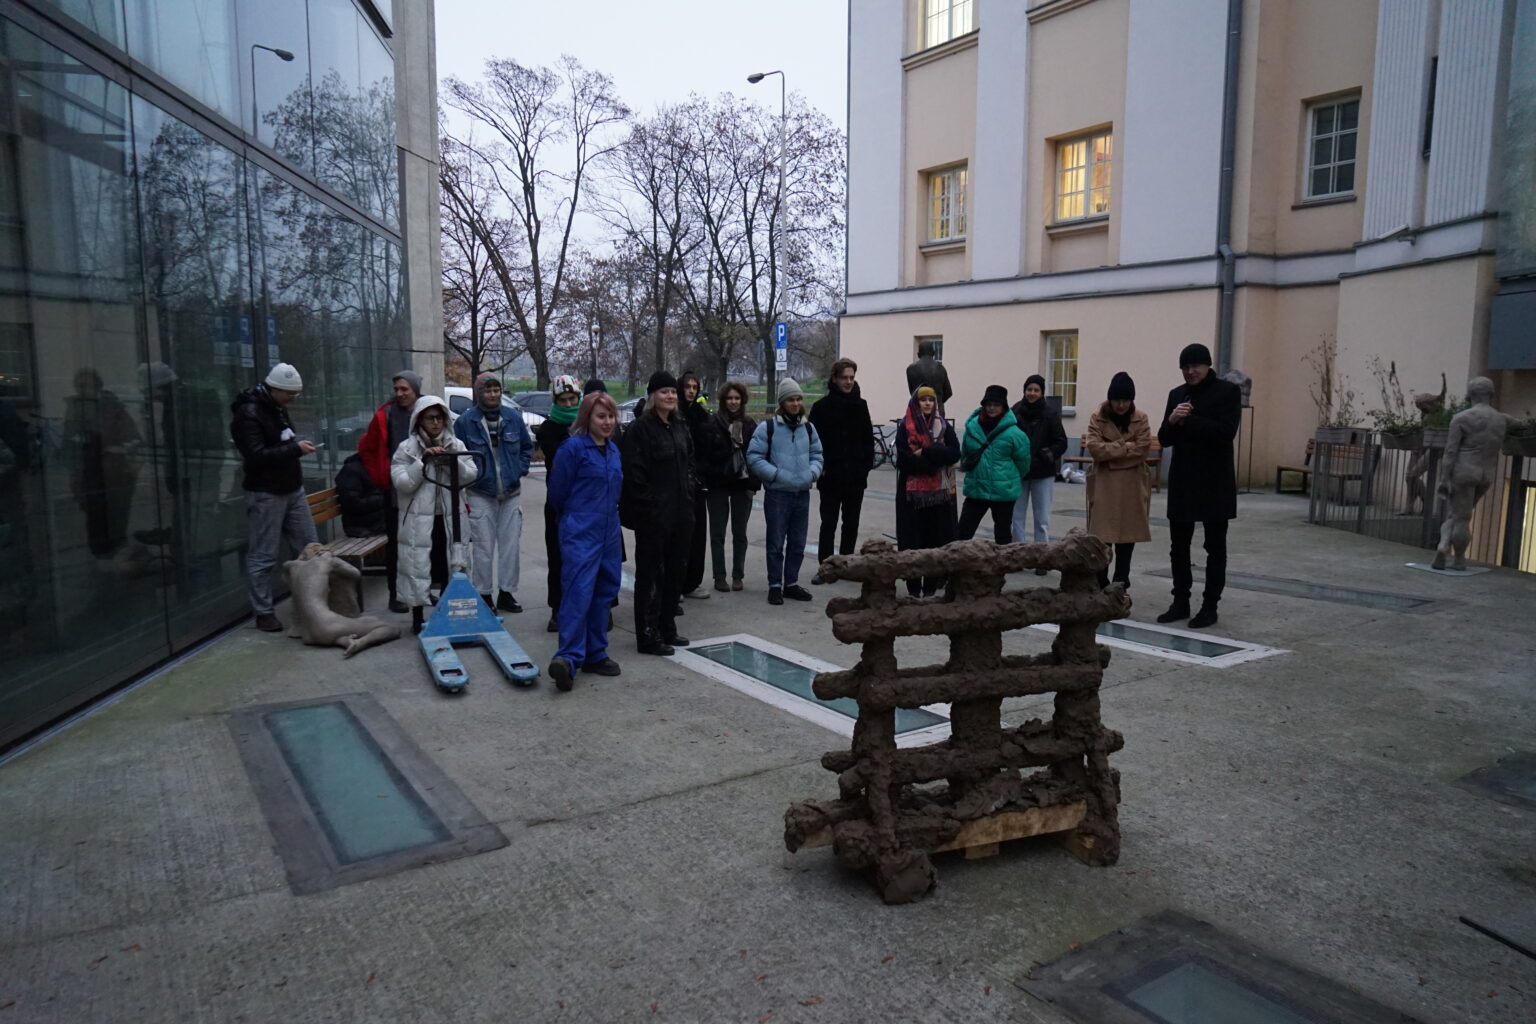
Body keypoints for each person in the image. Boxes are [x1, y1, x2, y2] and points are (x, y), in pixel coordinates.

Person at [1155, 343, 1241, 629]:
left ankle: (1209, 606)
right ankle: (1180, 602)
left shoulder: (1227, 392)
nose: (1190, 371)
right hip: (1183, 481)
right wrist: (1172, 420)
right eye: (1185, 367)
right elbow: (1165, 438)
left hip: (1215, 482)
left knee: (1215, 546)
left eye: (1196, 366)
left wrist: (1188, 420)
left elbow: (1225, 432)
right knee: (1178, 546)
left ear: (1208, 366)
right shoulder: (1177, 395)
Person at [230, 362, 319, 632]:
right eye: (290, 394)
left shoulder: (276, 407)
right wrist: (294, 450)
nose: (294, 398)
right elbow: (255, 456)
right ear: (275, 388)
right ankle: (263, 611)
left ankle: (313, 604)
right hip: (266, 492)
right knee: (263, 554)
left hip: (291, 487)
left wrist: (292, 448)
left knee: (310, 548)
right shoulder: (249, 414)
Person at [546, 391, 625, 691]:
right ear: (587, 418)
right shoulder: (573, 449)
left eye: (611, 416)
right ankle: (567, 658)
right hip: (581, 529)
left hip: (608, 530)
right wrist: (573, 521)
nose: (607, 422)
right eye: (601, 416)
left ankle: (595, 653)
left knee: (604, 591)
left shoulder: (613, 450)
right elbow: (557, 493)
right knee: (578, 592)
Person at [620, 371, 694, 655]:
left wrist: (690, 495)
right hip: (653, 517)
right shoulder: (641, 429)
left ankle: (667, 627)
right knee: (651, 575)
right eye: (664, 392)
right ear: (653, 396)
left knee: (676, 573)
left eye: (673, 392)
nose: (670, 396)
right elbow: (635, 475)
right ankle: (647, 635)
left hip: (682, 513)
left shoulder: (679, 426)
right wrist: (650, 507)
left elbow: (690, 465)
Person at [393, 395, 479, 635]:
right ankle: (418, 616)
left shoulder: (456, 445)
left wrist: (451, 462)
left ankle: (450, 612)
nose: (436, 423)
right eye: (430, 418)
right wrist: (423, 462)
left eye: (440, 417)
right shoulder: (406, 449)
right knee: (418, 566)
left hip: (450, 516)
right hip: (419, 519)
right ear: (419, 419)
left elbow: (471, 474)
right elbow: (402, 482)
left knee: (452, 563)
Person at [454, 372, 534, 613]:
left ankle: (507, 593)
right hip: (480, 493)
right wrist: (472, 476)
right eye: (487, 390)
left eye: (496, 390)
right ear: (479, 393)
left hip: (511, 492)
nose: (493, 394)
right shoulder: (465, 422)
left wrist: (519, 470)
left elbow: (526, 447)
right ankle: (484, 594)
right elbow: (458, 453)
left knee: (510, 548)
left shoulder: (513, 418)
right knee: (483, 547)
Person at [747, 377, 824, 605]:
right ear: (783, 402)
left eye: (799, 399)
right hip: (778, 494)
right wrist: (775, 474)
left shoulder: (808, 428)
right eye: (791, 399)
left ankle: (790, 583)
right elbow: (753, 456)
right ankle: (774, 585)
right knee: (776, 542)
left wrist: (812, 473)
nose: (795, 403)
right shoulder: (768, 428)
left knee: (798, 543)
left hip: (802, 493)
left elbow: (817, 455)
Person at [357, 370, 422, 612]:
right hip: (395, 490)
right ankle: (396, 594)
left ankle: (423, 591)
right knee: (397, 543)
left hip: (425, 486)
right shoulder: (385, 414)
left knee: (426, 541)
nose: (400, 393)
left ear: (415, 390)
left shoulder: (427, 410)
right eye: (397, 389)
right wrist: (380, 476)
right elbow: (367, 448)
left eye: (405, 389)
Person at [808, 358, 874, 585]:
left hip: (855, 477)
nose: (848, 382)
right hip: (831, 477)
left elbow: (868, 441)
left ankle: (847, 566)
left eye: (852, 377)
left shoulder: (861, 405)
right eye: (844, 377)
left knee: (851, 523)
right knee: (828, 524)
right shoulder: (821, 408)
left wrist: (864, 468)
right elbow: (813, 444)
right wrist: (821, 469)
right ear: (834, 379)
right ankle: (826, 568)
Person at [63, 368, 141, 559]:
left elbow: (131, 437)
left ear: (96, 386)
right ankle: (101, 551)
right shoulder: (75, 407)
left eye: (86, 385)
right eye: (79, 385)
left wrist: (118, 450)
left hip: (113, 470)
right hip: (87, 469)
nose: (81, 389)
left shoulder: (112, 406)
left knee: (116, 511)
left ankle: (114, 549)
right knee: (93, 511)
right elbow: (68, 441)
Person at [1085, 373, 1152, 588]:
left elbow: (1142, 450)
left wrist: (1111, 454)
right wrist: (1125, 447)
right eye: (1117, 400)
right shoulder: (1098, 417)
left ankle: (1122, 579)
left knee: (1127, 533)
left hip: (1131, 484)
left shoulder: (1141, 418)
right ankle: (1100, 578)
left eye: (1126, 400)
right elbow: (1095, 449)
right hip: (1105, 484)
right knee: (1102, 535)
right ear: (1110, 399)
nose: (1121, 405)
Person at [1433, 376, 1507, 570]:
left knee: (1461, 518)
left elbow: (1451, 451)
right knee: (1457, 515)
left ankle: (1458, 559)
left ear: (1469, 394)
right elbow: (1523, 425)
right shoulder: (1501, 419)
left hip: (1464, 471)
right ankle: (1443, 545)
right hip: (1486, 474)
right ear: (1491, 394)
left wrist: (1444, 478)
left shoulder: (1462, 418)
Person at [894, 386, 959, 597]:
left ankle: (930, 588)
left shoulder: (944, 427)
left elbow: (955, 453)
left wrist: (928, 451)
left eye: (932, 399)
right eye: (924, 400)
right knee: (913, 542)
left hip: (938, 499)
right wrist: (933, 464)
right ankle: (913, 588)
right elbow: (904, 460)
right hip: (912, 499)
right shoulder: (905, 427)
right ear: (916, 403)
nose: (928, 403)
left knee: (934, 541)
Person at [535, 374, 583, 631]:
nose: (567, 405)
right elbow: (561, 460)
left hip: (585, 503)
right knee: (558, 557)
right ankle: (558, 608)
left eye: (571, 398)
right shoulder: (549, 429)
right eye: (562, 400)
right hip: (559, 503)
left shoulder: (587, 423)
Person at [702, 380, 758, 593]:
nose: (733, 402)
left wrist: (753, 481)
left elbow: (755, 455)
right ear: (723, 400)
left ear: (742, 400)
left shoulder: (749, 424)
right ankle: (719, 575)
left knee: (740, 532)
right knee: (717, 533)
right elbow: (706, 454)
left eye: (737, 398)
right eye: (729, 398)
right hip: (718, 484)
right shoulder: (713, 423)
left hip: (742, 484)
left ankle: (738, 574)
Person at [956, 385, 1032, 543]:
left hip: (1003, 491)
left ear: (1003, 407)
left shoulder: (1015, 433)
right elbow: (966, 454)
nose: (991, 408)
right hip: (976, 488)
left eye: (996, 405)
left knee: (1003, 534)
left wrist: (1008, 478)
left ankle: (1003, 566)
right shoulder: (972, 428)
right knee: (963, 531)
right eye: (988, 404)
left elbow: (1023, 463)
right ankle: (957, 564)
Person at [1010, 374, 1068, 571]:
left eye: (1036, 390)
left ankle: (1042, 559)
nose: (1032, 393)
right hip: (1020, 471)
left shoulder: (1050, 414)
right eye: (1029, 389)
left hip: (1043, 472)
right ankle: (1018, 557)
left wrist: (1048, 453)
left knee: (1041, 519)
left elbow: (1061, 441)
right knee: (1016, 517)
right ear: (1024, 390)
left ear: (1041, 392)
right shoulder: (1015, 411)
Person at [678, 370, 712, 601]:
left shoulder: (701, 415)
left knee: (698, 534)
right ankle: (676, 582)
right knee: (680, 535)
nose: (691, 391)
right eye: (687, 386)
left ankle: (692, 581)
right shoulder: (674, 413)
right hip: (678, 482)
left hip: (698, 482)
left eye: (694, 387)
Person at [335, 451, 387, 537]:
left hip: (376, 522)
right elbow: (353, 504)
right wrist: (384, 499)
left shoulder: (374, 467)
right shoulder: (351, 470)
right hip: (360, 526)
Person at [905, 338, 952, 409]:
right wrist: (937, 401)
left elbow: (912, 392)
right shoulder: (941, 368)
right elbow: (948, 393)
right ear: (933, 353)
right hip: (937, 410)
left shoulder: (910, 369)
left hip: (918, 409)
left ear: (918, 354)